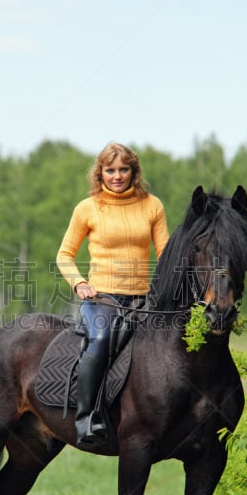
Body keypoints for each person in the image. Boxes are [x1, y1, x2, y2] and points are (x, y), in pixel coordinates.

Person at [56, 142, 169, 449]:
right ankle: (86, 418)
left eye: (123, 169)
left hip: (143, 300)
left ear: (134, 171)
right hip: (102, 298)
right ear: (100, 173)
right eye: (110, 170)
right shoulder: (87, 208)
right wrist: (80, 284)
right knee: (102, 339)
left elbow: (166, 256)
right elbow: (64, 255)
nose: (117, 176)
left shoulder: (152, 206)